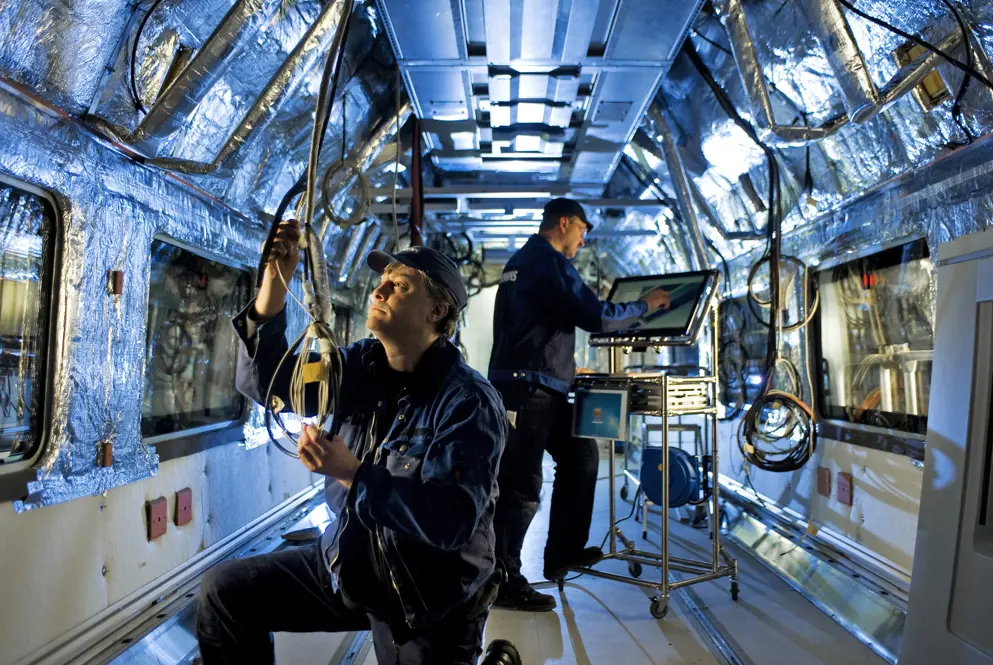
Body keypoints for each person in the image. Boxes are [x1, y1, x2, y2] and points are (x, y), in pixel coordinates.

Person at [196, 219, 509, 664]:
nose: (379, 292)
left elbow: (450, 521)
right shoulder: (360, 365)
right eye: (381, 281)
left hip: (425, 594)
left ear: (436, 311)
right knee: (224, 592)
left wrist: (352, 473)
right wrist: (273, 287)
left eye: (398, 285)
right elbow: (274, 386)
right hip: (349, 560)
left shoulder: (468, 402)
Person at [488, 198, 671, 611]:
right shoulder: (547, 261)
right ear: (565, 223)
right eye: (583, 231)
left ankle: (563, 553)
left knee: (582, 457)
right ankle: (502, 580)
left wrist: (569, 370)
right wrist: (646, 305)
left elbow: (537, 329)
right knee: (521, 486)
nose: (584, 240)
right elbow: (595, 316)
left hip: (542, 384)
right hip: (527, 390)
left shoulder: (526, 260)